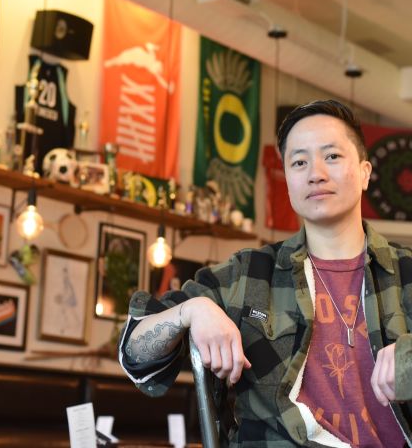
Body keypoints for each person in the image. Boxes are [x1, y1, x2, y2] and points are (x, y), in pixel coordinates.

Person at [118, 100, 412, 447]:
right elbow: (135, 351)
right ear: (287, 180)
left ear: (364, 172)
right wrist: (192, 310)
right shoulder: (249, 275)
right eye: (299, 162)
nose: (315, 173)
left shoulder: (405, 273)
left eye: (332, 156)